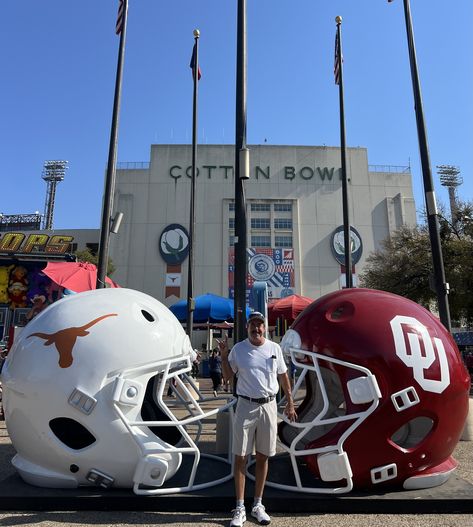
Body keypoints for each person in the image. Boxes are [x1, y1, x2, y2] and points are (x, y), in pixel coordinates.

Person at [219, 312, 297, 527]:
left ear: (265, 327)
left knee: (263, 456)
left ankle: (258, 504)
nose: (257, 328)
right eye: (253, 324)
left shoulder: (274, 348)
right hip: (245, 405)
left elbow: (283, 376)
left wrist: (290, 402)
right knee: (241, 457)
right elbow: (227, 377)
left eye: (260, 325)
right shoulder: (239, 349)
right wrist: (224, 356)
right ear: (247, 327)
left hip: (269, 406)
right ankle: (240, 507)